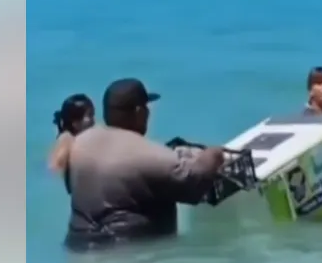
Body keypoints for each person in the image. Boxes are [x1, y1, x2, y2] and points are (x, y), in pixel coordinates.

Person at [64, 78, 225, 249]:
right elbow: (195, 183)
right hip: (129, 255)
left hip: (77, 248)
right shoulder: (147, 154)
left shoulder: (79, 144)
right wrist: (213, 155)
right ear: (139, 111)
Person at [47, 93, 95, 177]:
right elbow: (54, 168)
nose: (94, 120)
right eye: (90, 116)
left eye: (93, 115)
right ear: (75, 123)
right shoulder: (67, 139)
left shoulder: (75, 136)